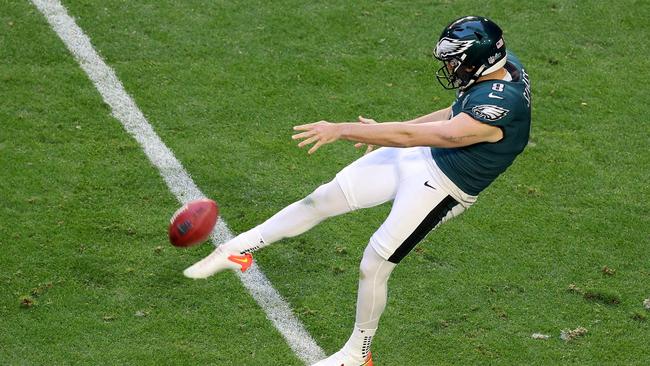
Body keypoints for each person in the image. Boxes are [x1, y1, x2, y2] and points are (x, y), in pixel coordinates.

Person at [184, 15, 531, 366]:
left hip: (443, 185)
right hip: (423, 154)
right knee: (323, 197)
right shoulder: (502, 70)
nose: (450, 67)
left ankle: (357, 354)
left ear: (478, 59)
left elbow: (441, 133)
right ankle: (239, 248)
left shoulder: (498, 106)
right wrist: (390, 129)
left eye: (455, 61)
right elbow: (453, 113)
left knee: (375, 263)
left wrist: (345, 130)